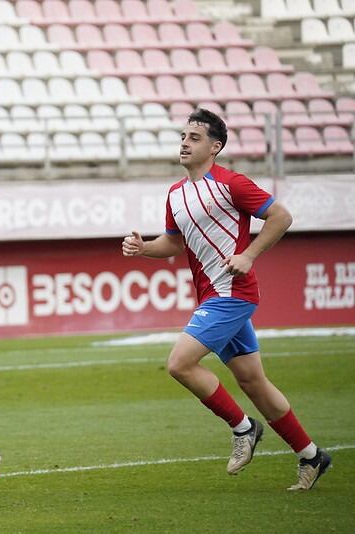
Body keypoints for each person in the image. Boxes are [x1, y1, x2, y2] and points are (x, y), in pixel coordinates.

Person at [122, 109, 331, 491]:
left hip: (232, 294)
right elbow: (172, 242)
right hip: (212, 295)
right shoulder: (176, 193)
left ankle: (244, 428)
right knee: (254, 383)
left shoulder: (232, 183)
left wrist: (249, 255)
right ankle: (311, 455)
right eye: (183, 136)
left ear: (215, 147)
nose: (185, 142)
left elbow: (281, 217)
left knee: (180, 363)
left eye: (195, 137)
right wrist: (142, 248)